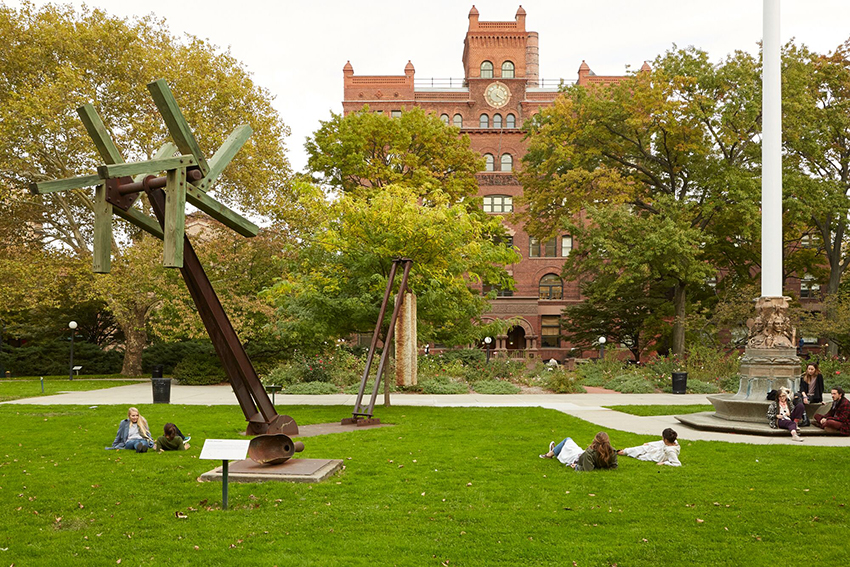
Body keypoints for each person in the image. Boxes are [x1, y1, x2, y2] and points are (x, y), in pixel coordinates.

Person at [539, 431, 618, 471]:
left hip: (577, 458)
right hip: (581, 455)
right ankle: (554, 450)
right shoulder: (612, 452)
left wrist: (576, 467)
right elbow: (614, 466)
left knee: (567, 440)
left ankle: (550, 454)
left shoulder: (590, 452)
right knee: (568, 446)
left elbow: (588, 468)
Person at [617, 428, 682, 466]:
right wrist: (649, 444)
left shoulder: (670, 451)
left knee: (642, 455)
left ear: (666, 439)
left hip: (657, 456)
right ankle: (625, 451)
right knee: (645, 447)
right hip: (658, 451)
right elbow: (660, 443)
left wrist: (664, 463)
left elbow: (677, 463)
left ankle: (624, 452)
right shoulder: (672, 442)